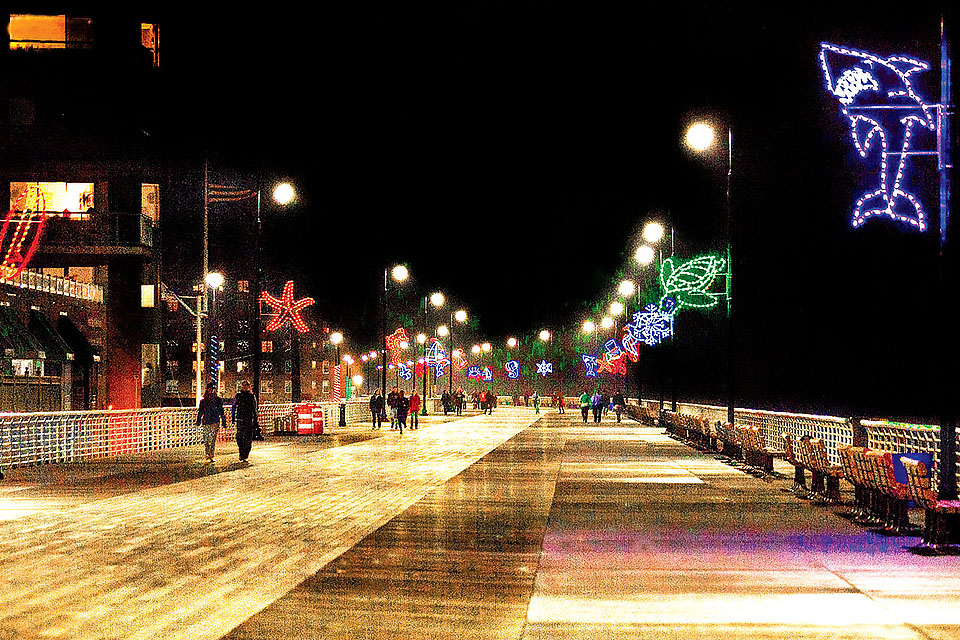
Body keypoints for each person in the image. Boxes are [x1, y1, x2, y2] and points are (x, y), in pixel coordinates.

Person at [196, 382, 227, 464]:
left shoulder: (217, 400)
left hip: (214, 420)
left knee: (212, 439)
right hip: (206, 420)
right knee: (206, 438)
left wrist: (223, 421)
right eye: (210, 389)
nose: (212, 391)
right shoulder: (204, 400)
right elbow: (200, 411)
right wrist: (198, 420)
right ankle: (208, 453)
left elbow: (221, 411)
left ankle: (211, 455)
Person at [231, 380, 258, 464]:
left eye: (246, 385)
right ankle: (241, 452)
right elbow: (234, 406)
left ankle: (245, 455)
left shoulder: (251, 396)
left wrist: (255, 419)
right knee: (239, 437)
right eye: (243, 385)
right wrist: (233, 417)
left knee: (247, 438)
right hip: (240, 418)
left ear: (249, 386)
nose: (245, 387)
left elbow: (254, 408)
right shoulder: (239, 396)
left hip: (248, 419)